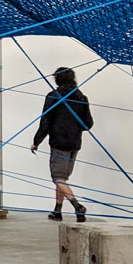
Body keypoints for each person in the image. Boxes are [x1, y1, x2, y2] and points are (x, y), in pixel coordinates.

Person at [31, 67, 93, 222]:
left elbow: (45, 122)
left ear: (57, 80)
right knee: (62, 179)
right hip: (74, 144)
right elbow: (88, 124)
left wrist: (36, 142)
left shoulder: (53, 96)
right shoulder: (81, 97)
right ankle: (57, 211)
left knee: (58, 178)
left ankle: (77, 206)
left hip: (59, 143)